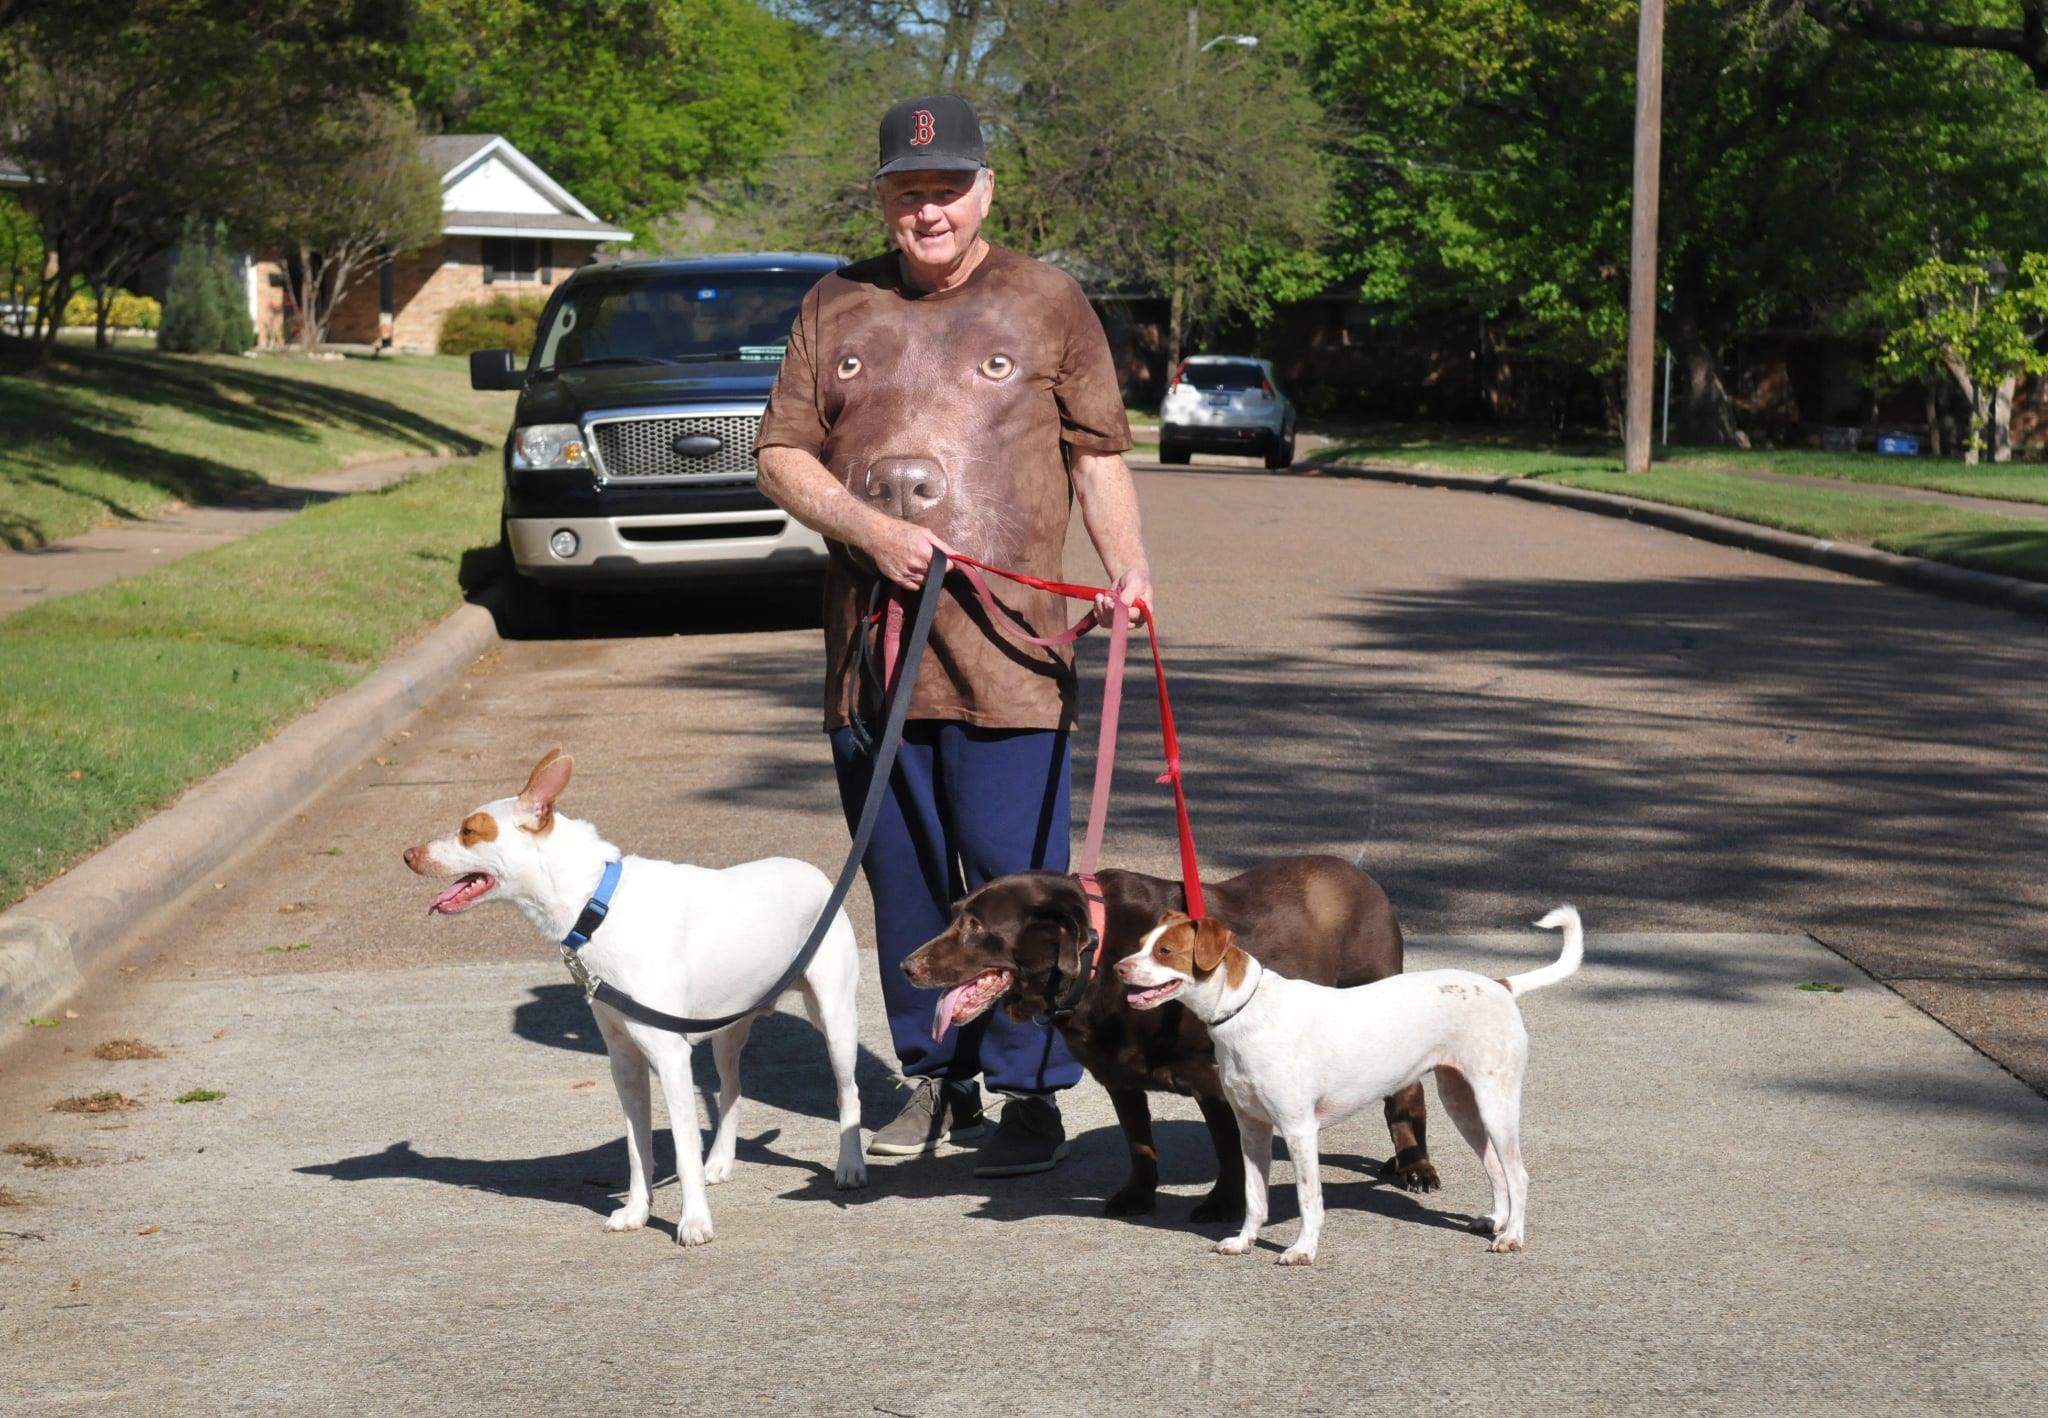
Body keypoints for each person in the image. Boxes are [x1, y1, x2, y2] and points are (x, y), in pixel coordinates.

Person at [754, 94, 1152, 1176]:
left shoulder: (1047, 301)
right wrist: (869, 530)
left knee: (1023, 887)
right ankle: (936, 1081)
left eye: (945, 190)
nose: (925, 211)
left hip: (1011, 657)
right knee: (907, 884)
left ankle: (1032, 1088)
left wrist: (1127, 570)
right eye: (905, 192)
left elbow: (1095, 451)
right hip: (871, 659)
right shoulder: (834, 304)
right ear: (883, 200)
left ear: (984, 191)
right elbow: (781, 454)